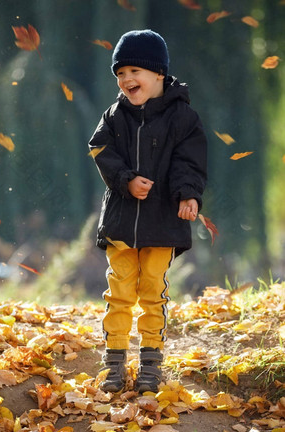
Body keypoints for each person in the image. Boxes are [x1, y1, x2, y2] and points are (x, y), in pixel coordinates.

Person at [89, 29, 207, 393]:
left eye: (134, 71)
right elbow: (99, 150)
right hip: (122, 222)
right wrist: (125, 180)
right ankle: (115, 362)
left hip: (162, 221)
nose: (126, 80)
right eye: (120, 74)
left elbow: (189, 162)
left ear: (158, 74)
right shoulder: (114, 116)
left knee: (153, 291)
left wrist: (188, 195)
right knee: (120, 291)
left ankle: (151, 365)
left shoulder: (183, 118)